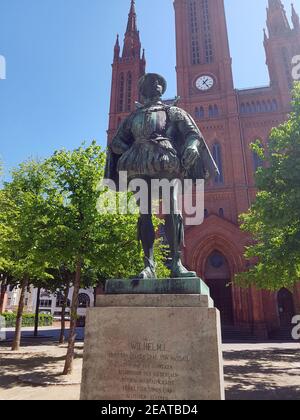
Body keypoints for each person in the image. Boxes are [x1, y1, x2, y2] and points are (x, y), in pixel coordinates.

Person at [105, 73, 218, 279]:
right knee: (145, 213)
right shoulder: (133, 117)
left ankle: (176, 263)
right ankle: (149, 265)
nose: (156, 84)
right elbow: (116, 142)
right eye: (151, 82)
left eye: (159, 83)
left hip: (167, 162)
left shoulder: (173, 111)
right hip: (139, 165)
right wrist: (132, 148)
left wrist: (192, 147)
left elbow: (193, 134)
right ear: (144, 89)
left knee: (172, 209)